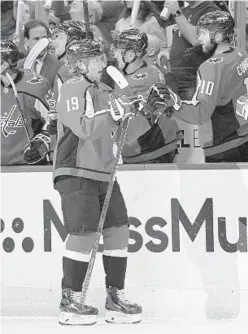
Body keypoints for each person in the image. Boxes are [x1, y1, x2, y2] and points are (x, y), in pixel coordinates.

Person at [53, 37, 142, 326]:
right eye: (96, 60)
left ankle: (115, 298)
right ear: (80, 64)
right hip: (77, 170)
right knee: (84, 233)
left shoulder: (104, 89)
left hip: (105, 172)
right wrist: (115, 112)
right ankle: (71, 301)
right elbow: (82, 127)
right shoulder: (71, 88)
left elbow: (122, 125)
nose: (103, 63)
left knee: (119, 231)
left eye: (102, 58)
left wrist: (142, 108)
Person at [150, 11, 248, 163]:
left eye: (203, 33)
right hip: (247, 137)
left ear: (218, 37)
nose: (199, 38)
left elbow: (200, 113)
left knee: (221, 187)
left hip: (224, 144)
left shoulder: (211, 68)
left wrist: (172, 103)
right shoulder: (240, 54)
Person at [113, 28, 183, 163]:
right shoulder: (127, 75)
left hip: (151, 149)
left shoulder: (145, 77)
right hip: (138, 149)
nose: (115, 55)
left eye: (118, 50)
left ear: (130, 54)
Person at [1, 39, 54, 166]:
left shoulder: (35, 86)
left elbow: (55, 121)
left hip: (27, 165)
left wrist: (43, 141)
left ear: (7, 63)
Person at [157, 1, 220, 100]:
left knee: (192, 115)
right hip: (176, 80)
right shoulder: (184, 11)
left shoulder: (211, 11)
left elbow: (196, 39)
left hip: (194, 81)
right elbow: (181, 37)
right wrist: (169, 50)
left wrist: (177, 13)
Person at [17, 19, 63, 87]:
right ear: (26, 41)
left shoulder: (59, 65)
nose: (41, 43)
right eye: (36, 39)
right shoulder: (20, 65)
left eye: (44, 38)